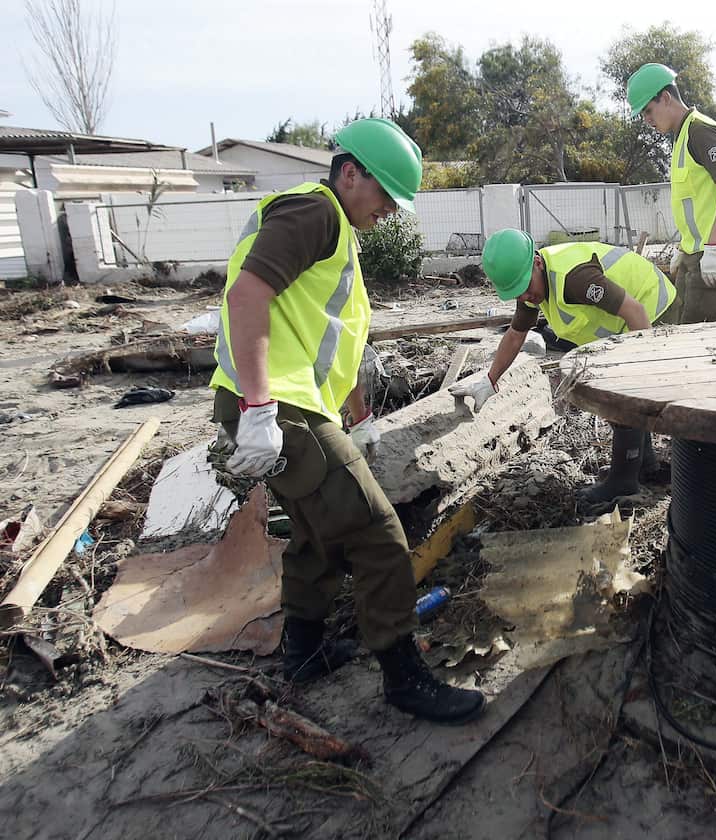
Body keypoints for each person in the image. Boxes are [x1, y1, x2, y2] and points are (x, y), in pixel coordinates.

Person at [210, 117, 484, 725]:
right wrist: (259, 409)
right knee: (379, 535)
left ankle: (303, 655)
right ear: (350, 172)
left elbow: (340, 339)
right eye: (385, 193)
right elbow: (247, 296)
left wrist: (359, 417)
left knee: (318, 532)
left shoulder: (339, 234)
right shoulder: (315, 213)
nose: (389, 209)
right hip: (278, 408)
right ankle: (404, 677)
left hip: (292, 406)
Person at [448, 228, 676, 508]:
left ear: (537, 262)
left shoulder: (574, 279)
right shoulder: (533, 288)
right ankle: (644, 464)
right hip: (628, 320)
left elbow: (636, 312)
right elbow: (516, 334)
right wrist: (489, 380)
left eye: (525, 287)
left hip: (656, 311)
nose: (525, 297)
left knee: (623, 394)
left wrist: (636, 365)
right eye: (516, 293)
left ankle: (623, 481)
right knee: (623, 392)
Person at [626, 62, 716, 324]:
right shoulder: (682, 136)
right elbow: (698, 204)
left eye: (649, 111)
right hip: (697, 252)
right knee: (679, 327)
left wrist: (713, 247)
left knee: (696, 338)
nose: (647, 120)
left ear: (665, 98)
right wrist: (684, 249)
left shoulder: (700, 131)